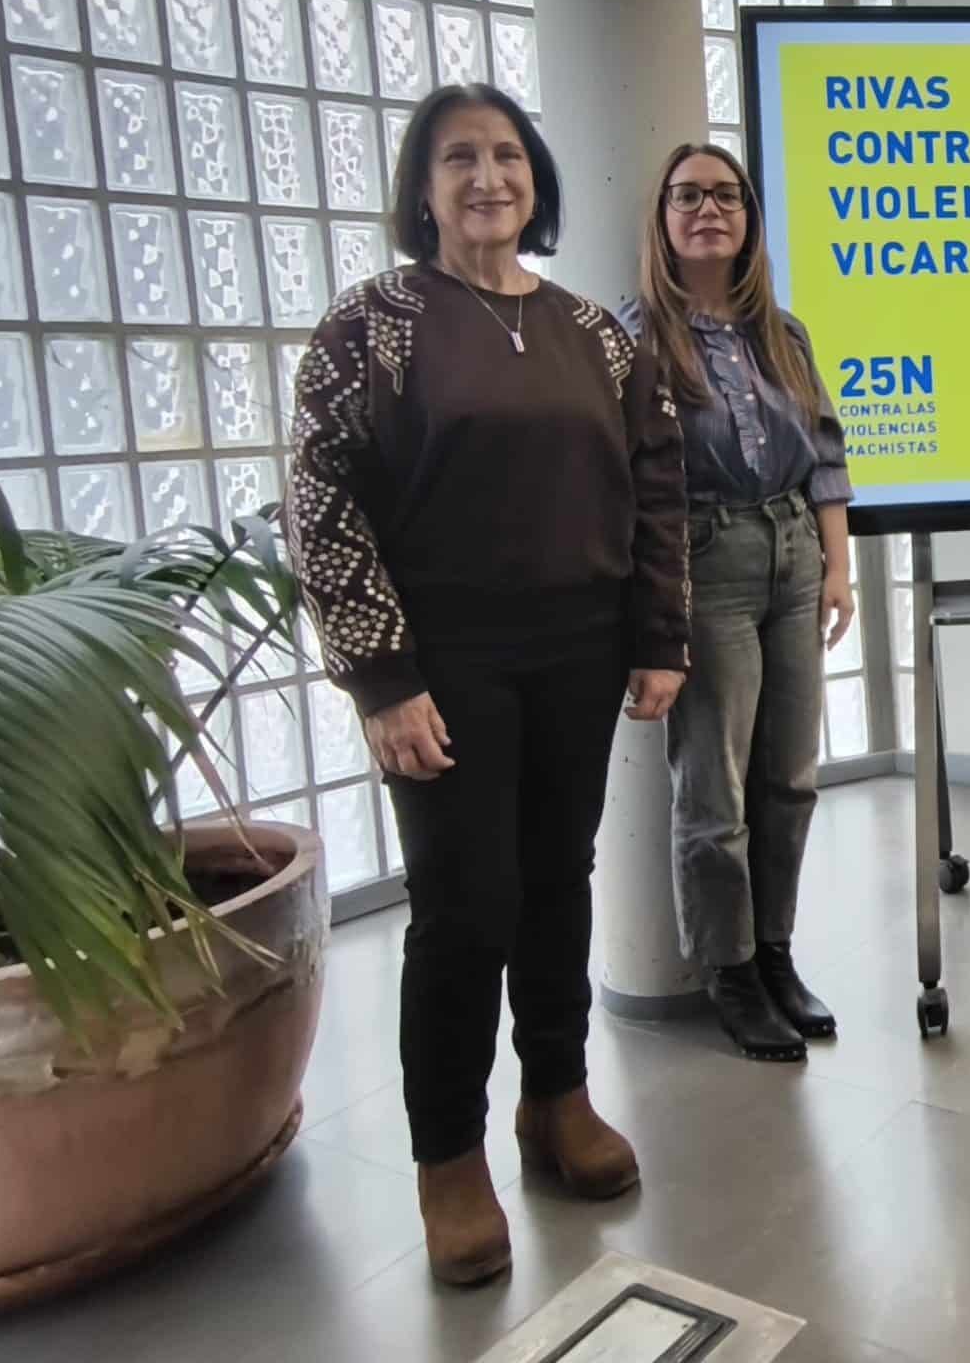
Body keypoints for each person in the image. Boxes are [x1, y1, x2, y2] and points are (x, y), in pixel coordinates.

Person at [288, 85, 689, 1286]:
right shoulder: (376, 323)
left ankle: (556, 1101)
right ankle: (448, 1159)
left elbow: (656, 483)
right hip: (442, 664)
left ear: (536, 179)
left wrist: (659, 634)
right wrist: (381, 678)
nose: (486, 178)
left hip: (578, 651)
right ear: (422, 189)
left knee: (560, 882)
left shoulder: (597, 334)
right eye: (457, 159)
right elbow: (319, 503)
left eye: (506, 155)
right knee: (467, 906)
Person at [620, 143, 857, 1066]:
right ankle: (730, 973)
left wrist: (837, 568)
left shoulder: (781, 333)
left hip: (795, 552)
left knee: (791, 778)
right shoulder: (635, 337)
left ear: (750, 218)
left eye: (726, 195)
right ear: (664, 218)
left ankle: (776, 953)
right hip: (704, 561)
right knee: (713, 791)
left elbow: (827, 454)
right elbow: (630, 483)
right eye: (688, 195)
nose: (708, 209)